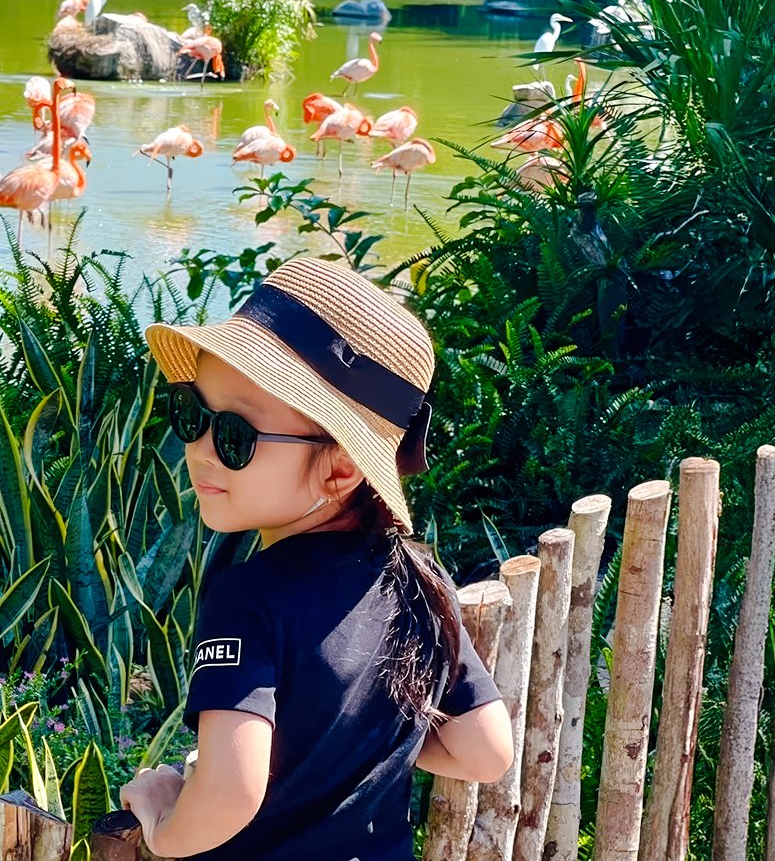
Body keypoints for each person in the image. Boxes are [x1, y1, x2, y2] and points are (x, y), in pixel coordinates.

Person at [119, 257, 514, 859]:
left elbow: (230, 793)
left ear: (340, 467)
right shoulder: (418, 578)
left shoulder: (246, 598)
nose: (199, 450)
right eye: (191, 415)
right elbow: (485, 751)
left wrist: (161, 818)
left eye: (234, 436)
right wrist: (355, 742)